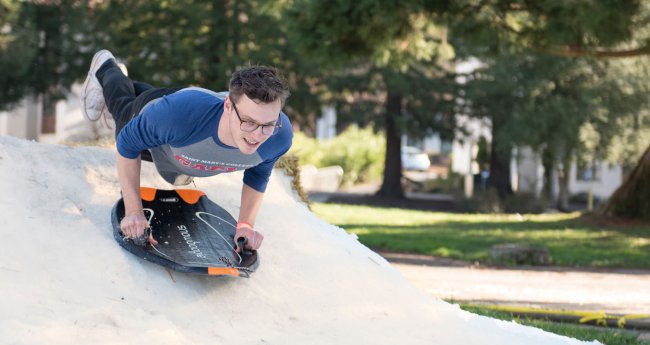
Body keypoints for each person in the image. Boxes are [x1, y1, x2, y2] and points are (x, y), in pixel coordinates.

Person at [80, 50, 292, 253]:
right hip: (170, 118)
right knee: (123, 114)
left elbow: (258, 174)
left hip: (177, 121)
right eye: (248, 122)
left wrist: (245, 224)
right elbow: (127, 144)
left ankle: (130, 84)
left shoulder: (278, 136)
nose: (258, 135)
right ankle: (107, 67)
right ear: (228, 105)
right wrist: (134, 212)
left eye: (268, 124)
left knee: (166, 126)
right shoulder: (176, 116)